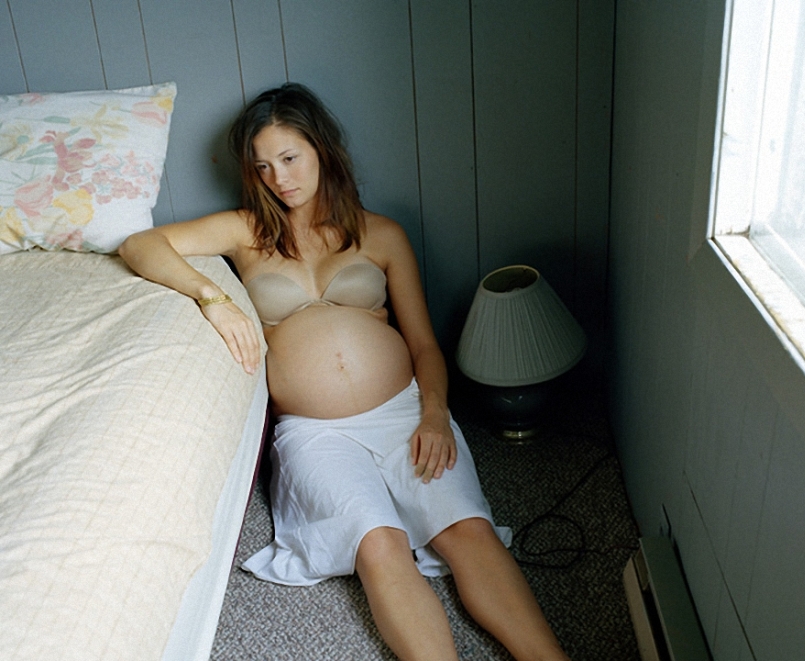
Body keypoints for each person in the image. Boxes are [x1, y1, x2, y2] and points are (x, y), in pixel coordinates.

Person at [118, 83, 571, 661]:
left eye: (290, 158)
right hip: (316, 433)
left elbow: (424, 344)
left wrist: (435, 415)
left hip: (405, 411)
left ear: (321, 149)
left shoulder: (382, 234)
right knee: (379, 544)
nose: (279, 179)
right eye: (263, 166)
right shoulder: (246, 231)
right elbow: (141, 244)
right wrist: (213, 297)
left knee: (468, 531)